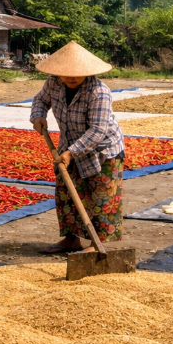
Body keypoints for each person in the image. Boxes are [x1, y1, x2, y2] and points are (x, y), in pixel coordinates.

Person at [31, 41, 125, 254]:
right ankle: (71, 239)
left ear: (87, 73)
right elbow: (40, 100)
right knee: (67, 192)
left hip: (103, 150)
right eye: (66, 74)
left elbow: (97, 131)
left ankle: (96, 244)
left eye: (76, 74)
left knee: (100, 195)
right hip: (69, 144)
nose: (71, 78)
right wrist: (38, 116)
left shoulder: (99, 92)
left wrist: (71, 153)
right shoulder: (53, 83)